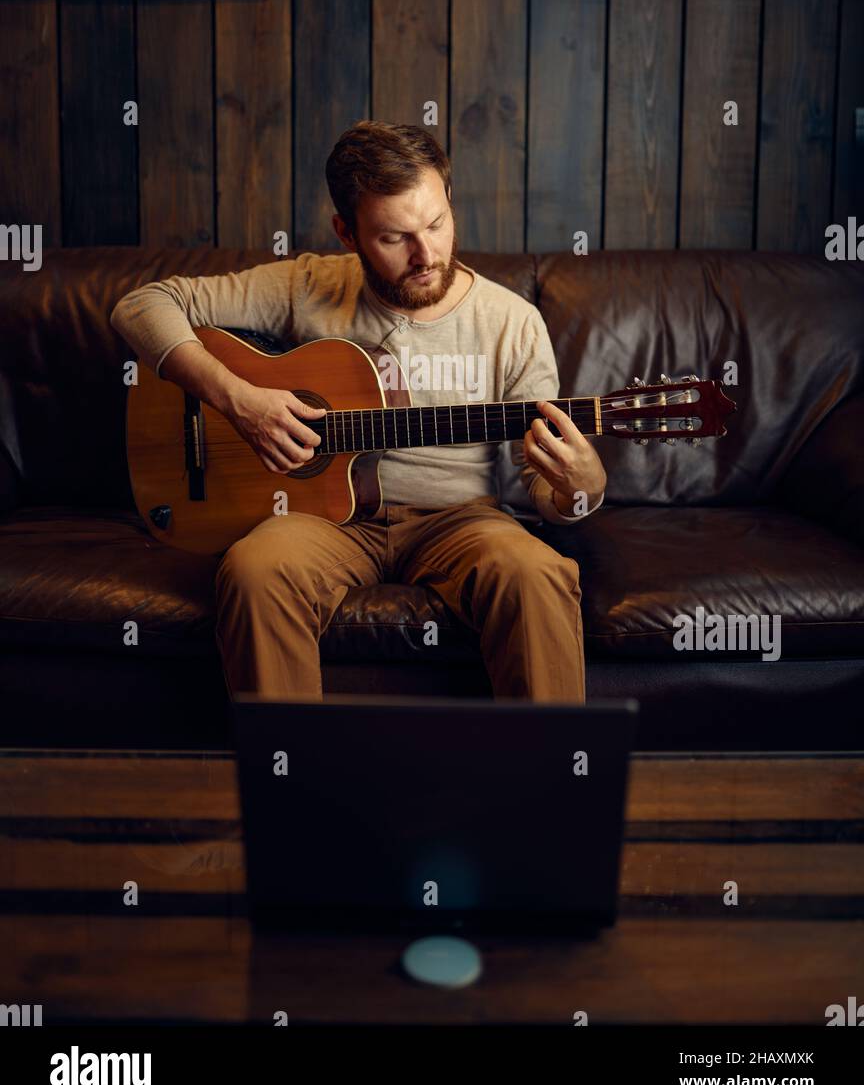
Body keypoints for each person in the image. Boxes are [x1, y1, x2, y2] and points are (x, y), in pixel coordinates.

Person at [110, 121, 606, 703]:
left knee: (536, 573)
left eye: (437, 224)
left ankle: (551, 783)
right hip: (324, 523)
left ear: (449, 200)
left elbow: (542, 489)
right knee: (254, 569)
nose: (426, 255)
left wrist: (581, 488)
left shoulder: (513, 322)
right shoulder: (307, 285)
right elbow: (141, 305)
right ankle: (288, 773)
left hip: (459, 522)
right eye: (395, 237)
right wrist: (238, 400)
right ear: (347, 232)